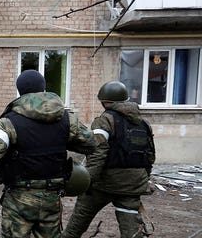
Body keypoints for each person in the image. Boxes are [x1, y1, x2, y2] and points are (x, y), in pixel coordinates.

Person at [0, 69, 97, 237]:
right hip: (52, 197)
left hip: (19, 198)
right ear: (44, 88)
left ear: (20, 91)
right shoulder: (67, 118)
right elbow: (91, 144)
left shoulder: (9, 121)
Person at [63, 81, 156, 238]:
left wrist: (87, 181)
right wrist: (142, 178)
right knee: (132, 232)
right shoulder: (143, 124)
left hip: (103, 184)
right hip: (132, 186)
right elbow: (150, 155)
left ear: (105, 101)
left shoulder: (105, 120)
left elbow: (98, 152)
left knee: (75, 227)